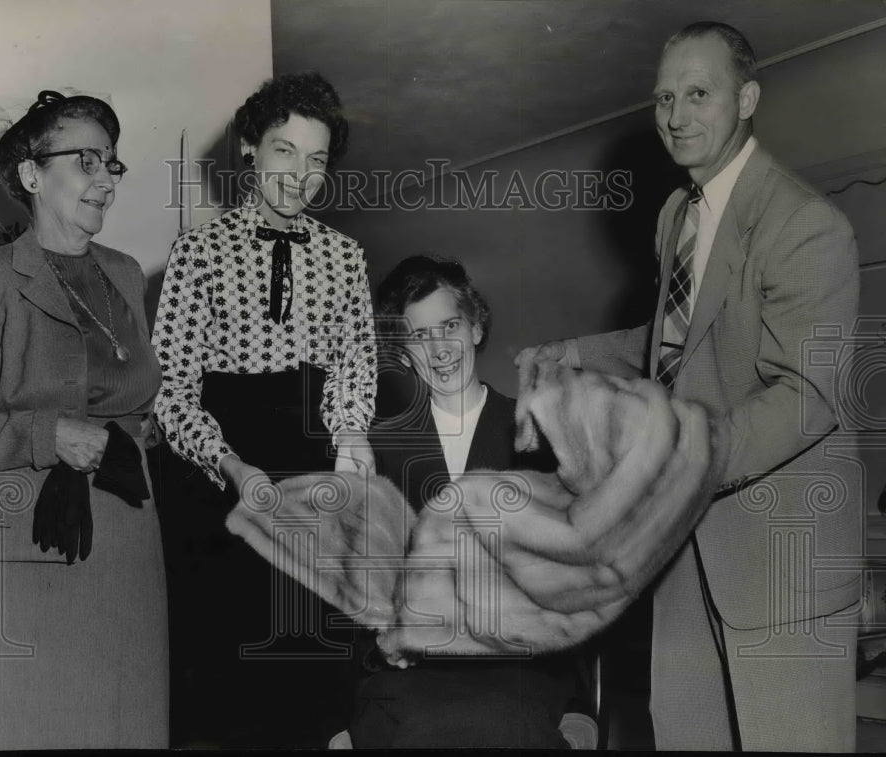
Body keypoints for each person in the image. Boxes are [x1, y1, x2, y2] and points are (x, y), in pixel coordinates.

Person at [517, 22, 861, 751]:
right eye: (664, 98)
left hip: (780, 561)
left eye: (698, 94)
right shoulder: (678, 215)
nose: (676, 116)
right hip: (685, 561)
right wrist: (570, 352)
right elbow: (679, 342)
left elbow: (809, 395)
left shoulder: (806, 225)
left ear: (748, 99)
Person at [0, 90, 167, 749]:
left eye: (111, 162)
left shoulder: (125, 274)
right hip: (33, 553)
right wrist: (49, 433)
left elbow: (132, 396)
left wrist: (144, 430)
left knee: (125, 725)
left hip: (127, 546)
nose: (106, 179)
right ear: (31, 173)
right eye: (86, 161)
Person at [151, 71, 377, 748]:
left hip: (312, 481)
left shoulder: (345, 257)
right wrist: (230, 464)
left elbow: (354, 370)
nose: (300, 176)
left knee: (314, 691)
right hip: (220, 479)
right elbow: (171, 389)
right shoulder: (197, 251)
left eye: (316, 160)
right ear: (250, 148)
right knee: (229, 697)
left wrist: (352, 439)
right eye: (285, 151)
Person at [349, 256, 587, 749]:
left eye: (450, 326)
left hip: (518, 666)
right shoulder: (375, 448)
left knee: (501, 724)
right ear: (403, 353)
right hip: (412, 672)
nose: (439, 350)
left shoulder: (541, 435)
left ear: (475, 328)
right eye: (420, 336)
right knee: (420, 728)